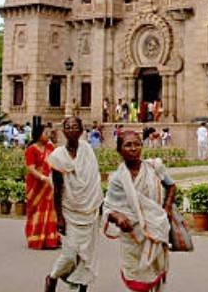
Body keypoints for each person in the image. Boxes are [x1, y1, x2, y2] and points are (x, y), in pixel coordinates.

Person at [104, 130, 175, 291]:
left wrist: (167, 209)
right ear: (119, 150)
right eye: (128, 145)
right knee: (137, 277)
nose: (133, 148)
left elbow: (171, 186)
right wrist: (118, 217)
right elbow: (108, 207)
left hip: (156, 230)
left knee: (156, 276)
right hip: (132, 236)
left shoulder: (154, 167)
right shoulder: (117, 178)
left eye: (137, 144)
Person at [45, 117, 103, 292]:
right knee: (70, 253)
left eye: (75, 127)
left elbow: (94, 181)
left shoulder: (87, 151)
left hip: (90, 211)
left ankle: (82, 288)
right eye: (67, 127)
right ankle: (52, 277)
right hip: (70, 210)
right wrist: (59, 217)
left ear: (81, 131)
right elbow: (57, 189)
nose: (71, 130)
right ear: (63, 131)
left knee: (87, 254)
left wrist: (98, 206)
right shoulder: (58, 156)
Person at [25, 123, 60, 250]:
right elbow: (31, 168)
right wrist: (42, 177)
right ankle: (36, 238)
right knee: (36, 211)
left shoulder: (50, 147)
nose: (48, 135)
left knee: (50, 210)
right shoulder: (31, 149)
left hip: (49, 184)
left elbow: (57, 160)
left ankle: (51, 239)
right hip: (36, 185)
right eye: (45, 133)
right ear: (38, 135)